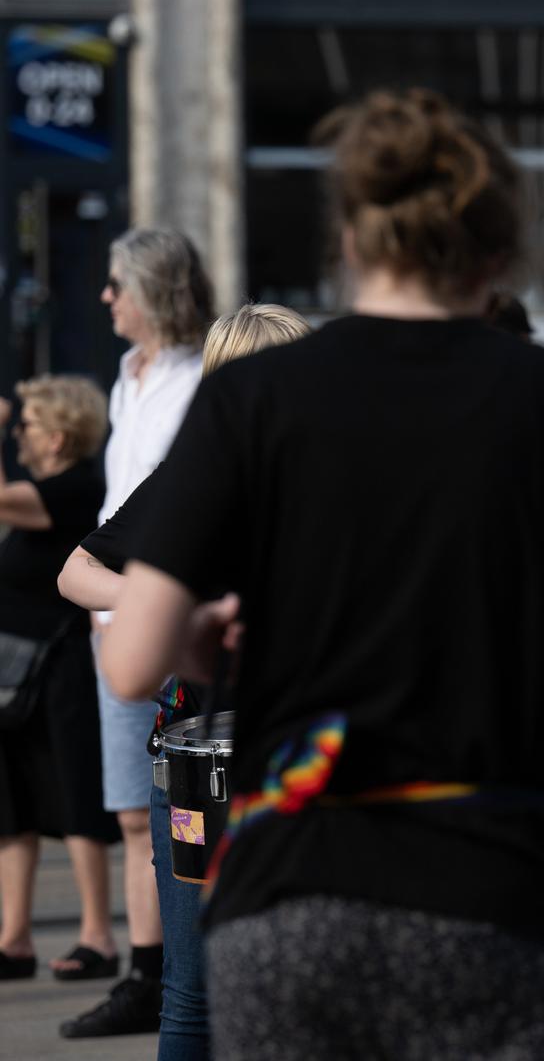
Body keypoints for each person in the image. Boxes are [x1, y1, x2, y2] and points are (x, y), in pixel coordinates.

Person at [96, 87, 544, 1061]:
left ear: (347, 237)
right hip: (491, 890)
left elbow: (130, 663)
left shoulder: (252, 393)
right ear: (498, 251)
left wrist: (203, 634)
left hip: (292, 893)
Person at [58, 304, 311, 1061]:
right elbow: (78, 571)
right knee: (194, 991)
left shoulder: (346, 481)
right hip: (202, 761)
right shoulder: (193, 481)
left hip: (313, 761)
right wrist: (172, 607)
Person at [70, 226, 213, 1036]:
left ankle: (162, 971)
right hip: (115, 616)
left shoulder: (200, 382)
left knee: (169, 810)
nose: (105, 299)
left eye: (117, 284)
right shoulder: (129, 375)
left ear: (153, 290)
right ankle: (149, 969)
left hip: (168, 627)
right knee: (134, 811)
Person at [0, 378, 118, 984]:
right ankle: (12, 936)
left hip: (63, 665)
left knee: (76, 796)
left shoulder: (75, 488)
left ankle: (98, 932)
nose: (18, 433)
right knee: (12, 802)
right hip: (17, 676)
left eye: (26, 425)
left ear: (57, 435)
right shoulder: (39, 492)